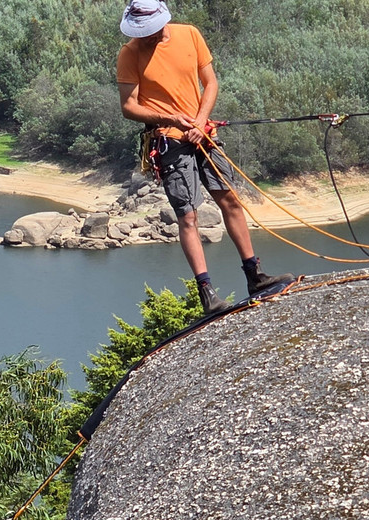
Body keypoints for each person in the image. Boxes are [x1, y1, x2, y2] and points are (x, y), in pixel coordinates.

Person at [117, 0, 294, 315]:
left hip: (204, 134)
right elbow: (129, 106)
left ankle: (255, 276)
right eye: (140, 33)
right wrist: (169, 118)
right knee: (187, 215)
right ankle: (207, 293)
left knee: (230, 200)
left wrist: (200, 121)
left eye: (149, 32)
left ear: (162, 22)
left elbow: (210, 83)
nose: (145, 37)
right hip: (168, 140)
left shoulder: (189, 35)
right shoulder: (129, 54)